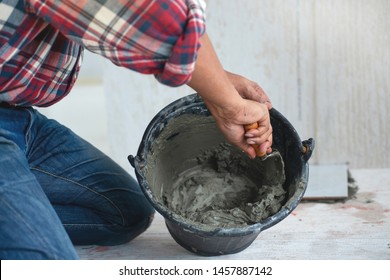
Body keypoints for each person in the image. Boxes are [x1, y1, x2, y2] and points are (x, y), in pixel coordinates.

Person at [0, 0, 273, 259]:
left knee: (126, 213)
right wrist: (227, 103)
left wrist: (219, 82)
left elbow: (97, 21)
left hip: (17, 117)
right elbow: (158, 17)